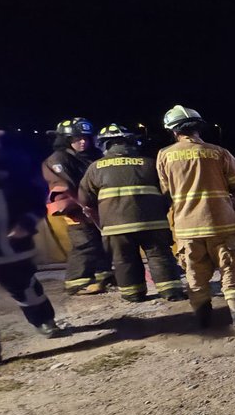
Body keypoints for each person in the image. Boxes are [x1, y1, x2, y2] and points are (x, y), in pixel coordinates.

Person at [156, 105, 235, 327]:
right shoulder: (219, 152)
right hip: (222, 224)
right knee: (232, 271)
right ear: (198, 128)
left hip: (187, 227)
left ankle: (202, 318)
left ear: (173, 131)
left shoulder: (164, 156)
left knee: (195, 275)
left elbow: (166, 190)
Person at [77, 124, 186, 303]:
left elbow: (85, 200)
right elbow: (168, 192)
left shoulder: (95, 168)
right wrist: (160, 211)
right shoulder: (149, 163)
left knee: (124, 259)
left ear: (104, 145)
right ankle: (172, 292)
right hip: (154, 223)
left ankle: (133, 294)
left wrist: (102, 222)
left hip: (116, 227)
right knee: (160, 255)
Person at [0, 129, 64, 369]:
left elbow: (36, 195)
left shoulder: (11, 162)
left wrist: (26, 223)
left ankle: (44, 320)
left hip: (12, 245)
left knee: (24, 288)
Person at [42, 117, 113, 294]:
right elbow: (66, 185)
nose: (83, 142)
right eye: (77, 138)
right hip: (77, 210)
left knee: (103, 243)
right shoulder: (58, 159)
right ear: (66, 140)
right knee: (85, 244)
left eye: (86, 138)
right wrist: (84, 205)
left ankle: (104, 276)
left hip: (97, 209)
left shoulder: (94, 156)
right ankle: (76, 282)